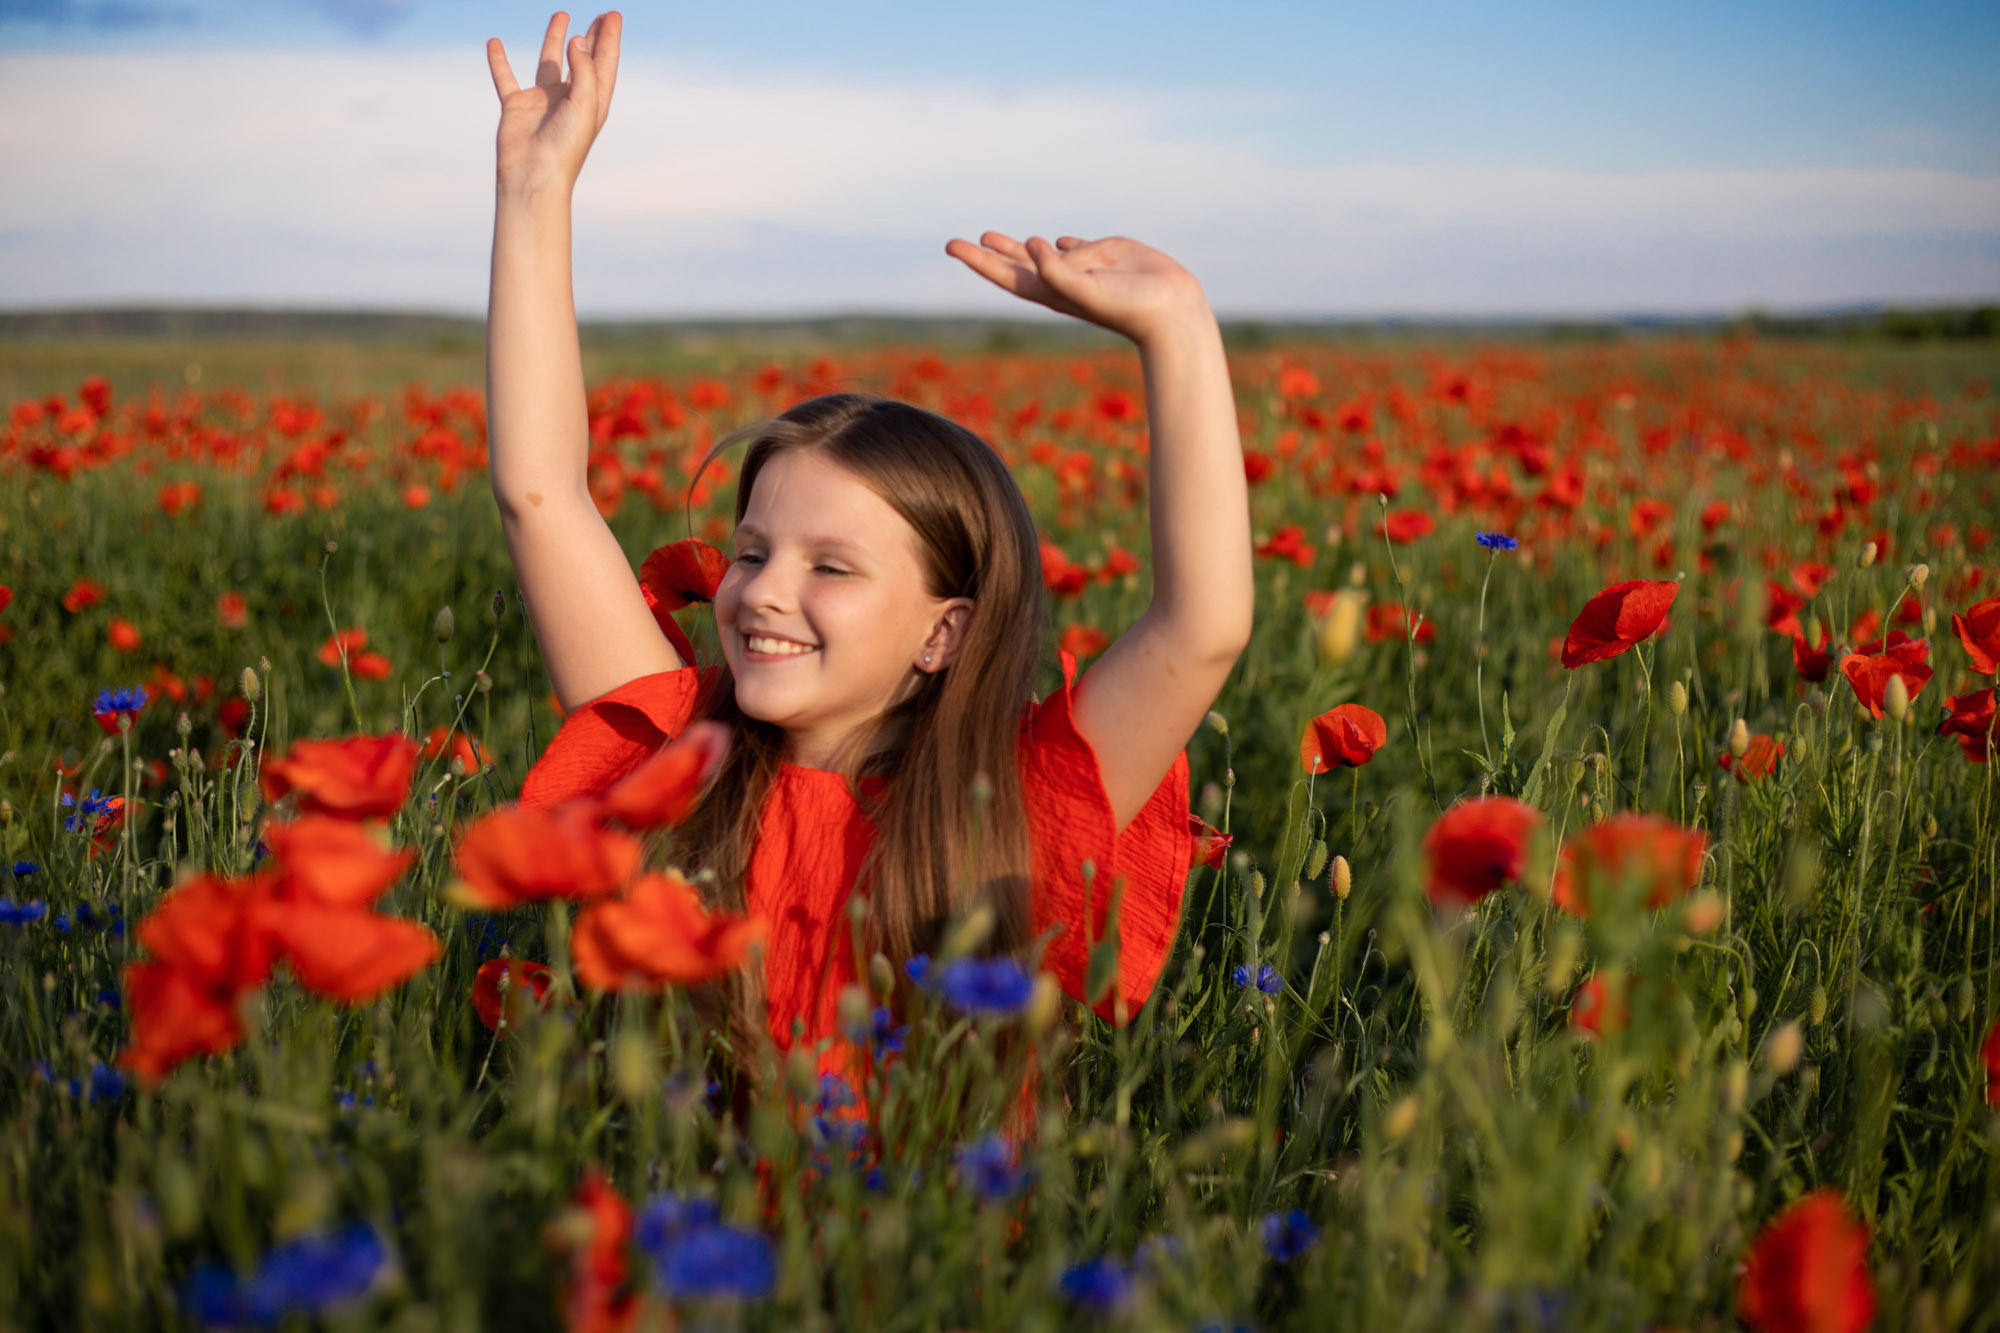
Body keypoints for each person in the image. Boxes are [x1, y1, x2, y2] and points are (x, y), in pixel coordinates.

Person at [483, 12, 1253, 1091]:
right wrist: (533, 190)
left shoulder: (1013, 805)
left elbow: (1201, 627)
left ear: (946, 629)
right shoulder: (676, 765)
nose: (762, 593)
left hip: (933, 1259)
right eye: (751, 552)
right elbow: (539, 494)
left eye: (829, 566)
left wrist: (1176, 327)